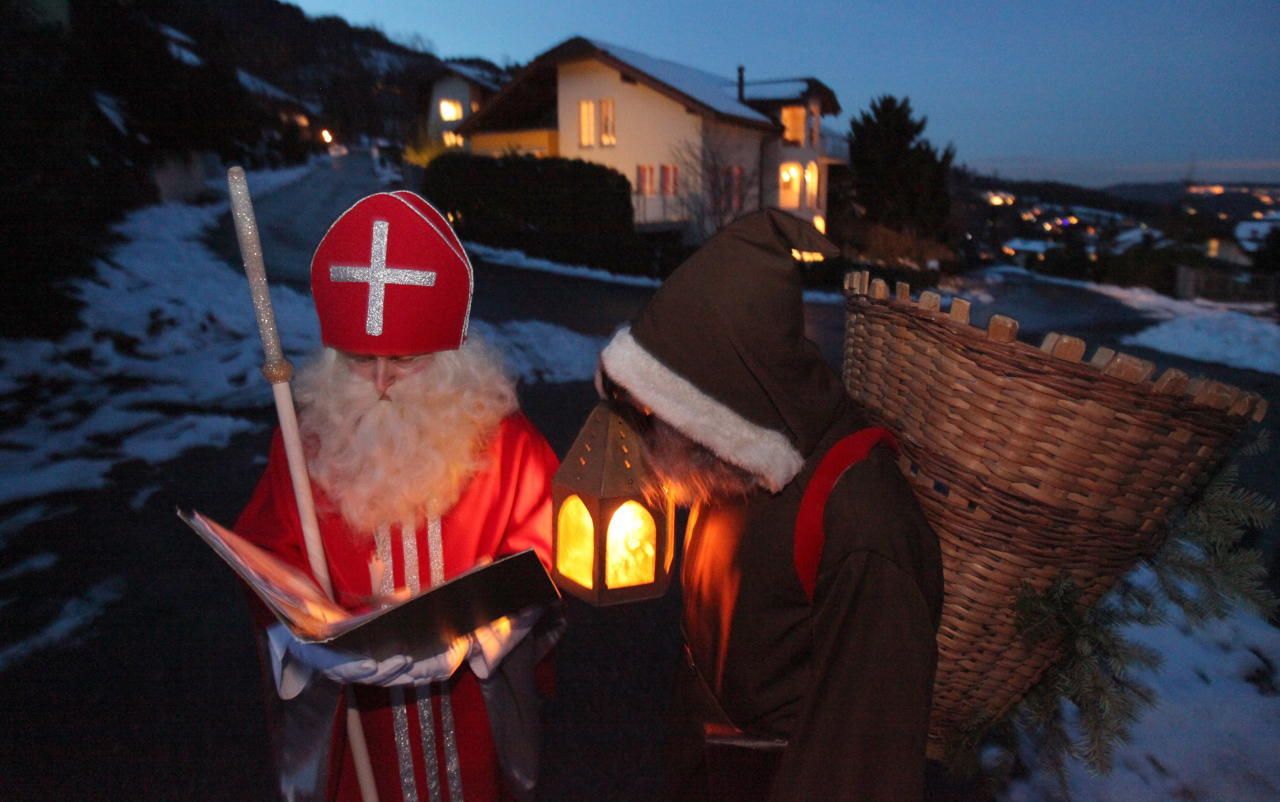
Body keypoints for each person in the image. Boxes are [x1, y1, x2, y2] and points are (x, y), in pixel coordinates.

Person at [596, 210, 944, 801]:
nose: (645, 426)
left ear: (717, 400)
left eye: (660, 407)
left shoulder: (864, 522)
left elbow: (860, 765)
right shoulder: (730, 461)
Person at [236, 191, 561, 802]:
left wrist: (474, 634)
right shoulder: (305, 441)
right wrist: (313, 644)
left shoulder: (504, 440)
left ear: (448, 353)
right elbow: (265, 554)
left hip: (468, 716)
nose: (381, 382)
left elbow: (548, 545)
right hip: (355, 730)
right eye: (360, 360)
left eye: (405, 359)